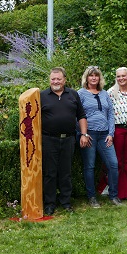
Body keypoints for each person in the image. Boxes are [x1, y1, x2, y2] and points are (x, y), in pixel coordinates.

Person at [41, 67, 89, 215]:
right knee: (50, 173)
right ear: (50, 80)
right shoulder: (41, 95)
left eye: (58, 79)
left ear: (64, 80)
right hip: (48, 139)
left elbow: (81, 116)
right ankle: (49, 204)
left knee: (66, 173)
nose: (55, 81)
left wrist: (84, 134)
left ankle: (66, 202)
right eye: (53, 79)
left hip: (68, 139)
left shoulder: (73, 94)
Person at [77, 66, 122, 207]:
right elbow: (76, 114)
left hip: (104, 135)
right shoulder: (81, 94)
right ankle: (92, 197)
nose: (94, 78)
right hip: (89, 134)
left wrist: (111, 134)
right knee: (89, 166)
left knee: (113, 164)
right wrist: (82, 133)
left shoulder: (104, 94)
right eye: (91, 76)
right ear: (87, 78)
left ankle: (113, 195)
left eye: (96, 75)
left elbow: (110, 114)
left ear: (99, 78)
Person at [106, 67, 127, 200]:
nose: (121, 78)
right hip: (117, 129)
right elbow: (108, 113)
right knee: (117, 161)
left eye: (124, 76)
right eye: (118, 76)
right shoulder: (110, 93)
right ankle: (116, 191)